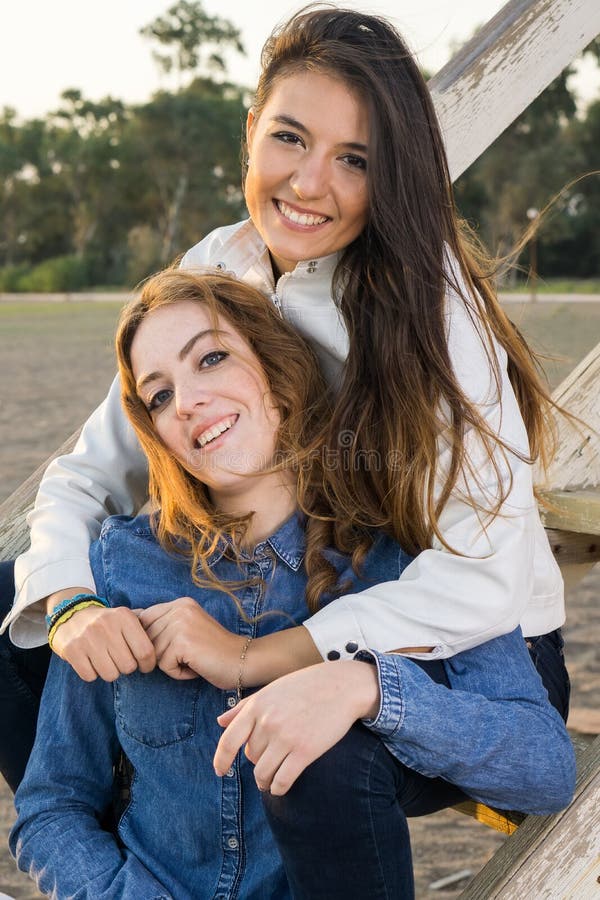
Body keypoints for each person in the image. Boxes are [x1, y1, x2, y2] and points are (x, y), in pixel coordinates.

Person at [0, 6, 569, 794]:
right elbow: (93, 472)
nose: (309, 183)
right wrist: (70, 607)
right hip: (286, 592)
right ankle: (117, 851)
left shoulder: (435, 317)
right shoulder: (221, 263)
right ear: (250, 132)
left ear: (393, 174)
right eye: (290, 138)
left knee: (312, 751)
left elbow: (486, 582)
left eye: (355, 160)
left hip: (472, 656)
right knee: (10, 607)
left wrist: (268, 656)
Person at [10, 269, 574, 900]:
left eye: (212, 359)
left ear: (279, 377)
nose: (188, 401)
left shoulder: (394, 565)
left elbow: (545, 766)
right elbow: (53, 807)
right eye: (160, 396)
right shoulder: (124, 568)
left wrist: (371, 688)